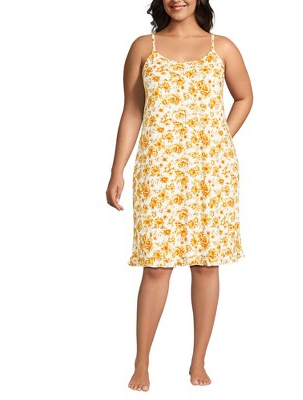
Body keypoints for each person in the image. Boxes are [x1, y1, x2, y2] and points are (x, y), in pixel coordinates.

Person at [106, 0, 253, 391]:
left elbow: (244, 98)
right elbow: (132, 110)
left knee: (206, 264)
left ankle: (198, 360)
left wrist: (220, 138)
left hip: (211, 172)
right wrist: (117, 169)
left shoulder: (222, 47)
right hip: (158, 170)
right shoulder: (144, 47)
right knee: (156, 265)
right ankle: (141, 363)